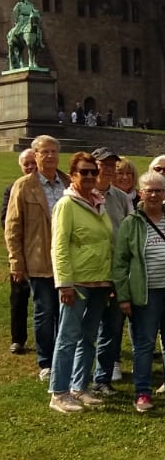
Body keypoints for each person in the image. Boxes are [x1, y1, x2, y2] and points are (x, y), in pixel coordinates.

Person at [114, 171, 165, 411]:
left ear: (164, 193)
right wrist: (124, 295)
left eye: (158, 190)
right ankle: (142, 393)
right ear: (141, 193)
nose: (153, 195)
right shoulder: (131, 223)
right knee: (145, 343)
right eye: (149, 190)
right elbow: (120, 262)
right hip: (146, 293)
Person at [48, 152, 115, 413]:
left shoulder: (98, 202)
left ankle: (79, 387)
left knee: (88, 336)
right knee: (68, 335)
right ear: (73, 175)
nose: (89, 176)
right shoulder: (67, 205)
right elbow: (60, 245)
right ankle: (59, 391)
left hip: (100, 280)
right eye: (83, 172)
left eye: (92, 172)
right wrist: (64, 283)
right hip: (77, 281)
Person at [5, 136, 69, 380]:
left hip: (66, 260)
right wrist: (16, 262)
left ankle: (63, 357)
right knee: (45, 310)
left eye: (54, 151)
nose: (50, 156)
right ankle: (46, 362)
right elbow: (13, 227)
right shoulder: (23, 185)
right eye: (45, 152)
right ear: (36, 155)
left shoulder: (67, 182)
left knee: (65, 312)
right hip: (39, 259)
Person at [91, 147, 132, 395]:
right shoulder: (84, 195)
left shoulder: (120, 197)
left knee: (111, 328)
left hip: (116, 273)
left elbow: (128, 231)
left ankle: (102, 379)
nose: (106, 168)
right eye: (102, 164)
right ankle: (78, 379)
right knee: (86, 330)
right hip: (91, 272)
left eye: (110, 165)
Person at [3, 148, 37, 355]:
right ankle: (18, 339)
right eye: (27, 164)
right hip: (22, 251)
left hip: (45, 253)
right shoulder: (12, 188)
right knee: (19, 297)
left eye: (34, 162)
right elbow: (5, 221)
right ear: (21, 167)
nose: (31, 167)